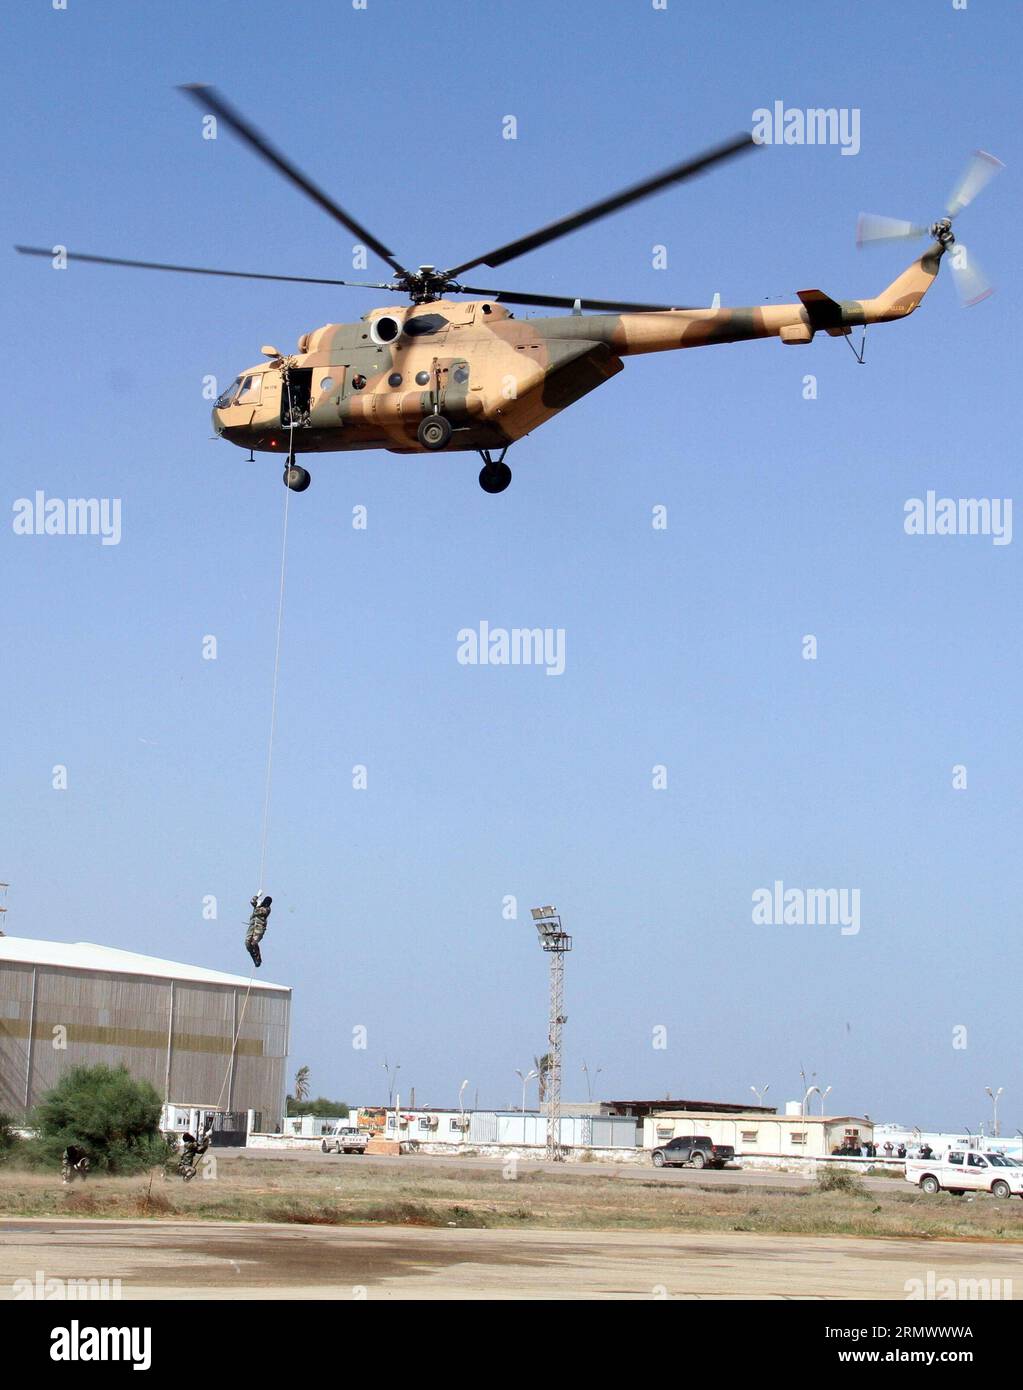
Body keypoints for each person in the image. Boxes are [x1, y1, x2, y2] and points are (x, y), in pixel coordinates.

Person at [245, 894, 272, 968]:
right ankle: (253, 956)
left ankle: (258, 958)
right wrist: (257, 895)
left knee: (254, 943)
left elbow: (257, 912)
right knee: (247, 943)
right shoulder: (259, 905)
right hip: (252, 926)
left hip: (259, 928)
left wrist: (258, 905)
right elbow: (252, 901)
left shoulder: (267, 909)